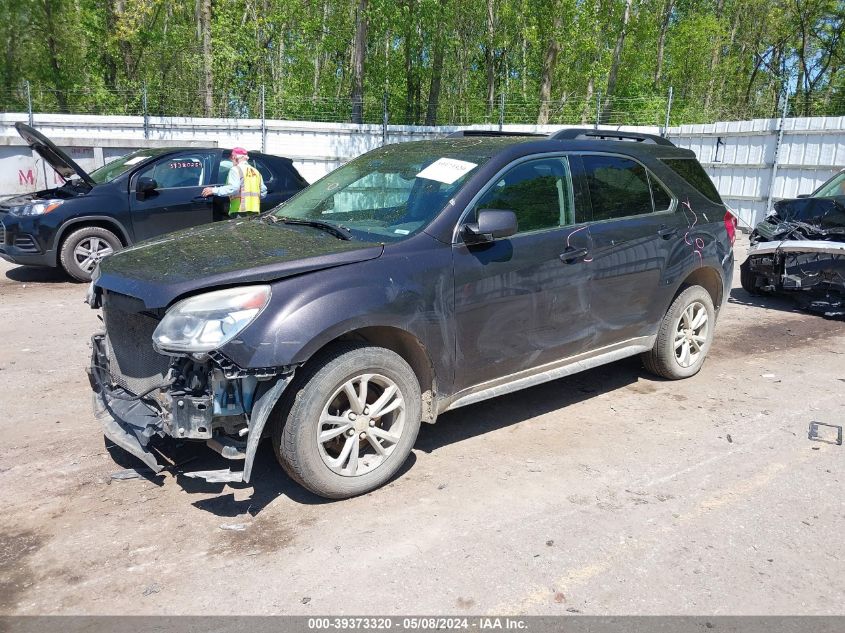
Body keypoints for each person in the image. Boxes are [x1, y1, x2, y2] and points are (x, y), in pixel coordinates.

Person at [202, 147, 267, 218]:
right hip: (255, 210)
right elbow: (263, 192)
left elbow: (233, 188)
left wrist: (213, 190)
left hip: (240, 210)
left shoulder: (235, 169)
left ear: (234, 157)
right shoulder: (256, 171)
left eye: (231, 158)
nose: (231, 161)